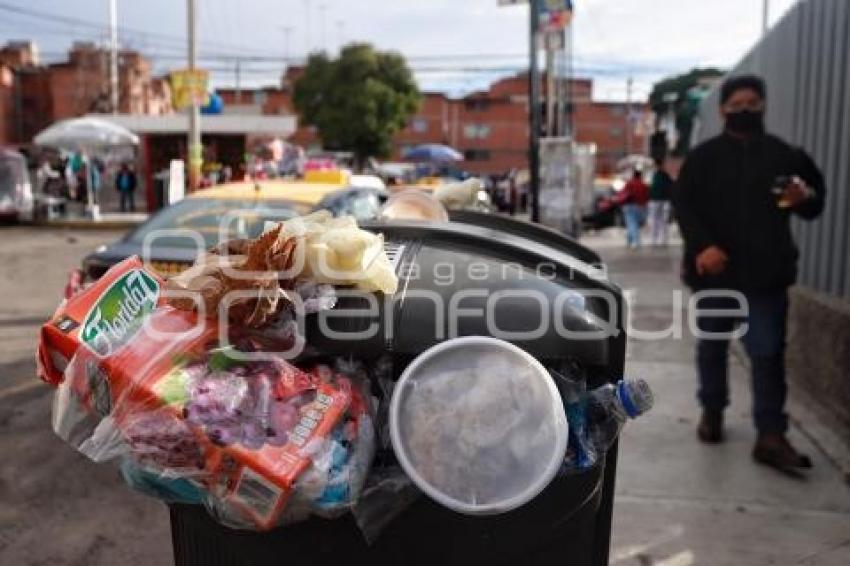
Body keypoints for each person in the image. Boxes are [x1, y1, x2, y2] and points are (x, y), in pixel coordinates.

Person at [673, 74, 825, 474]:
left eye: (752, 104)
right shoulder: (703, 158)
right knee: (712, 348)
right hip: (714, 275)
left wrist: (803, 197)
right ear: (723, 109)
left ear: (763, 107)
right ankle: (712, 411)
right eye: (736, 103)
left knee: (767, 353)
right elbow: (684, 205)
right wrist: (702, 246)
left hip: (766, 275)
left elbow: (813, 200)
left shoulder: (785, 155)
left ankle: (771, 435)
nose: (744, 110)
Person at [617, 169, 649, 248]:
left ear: (633, 175)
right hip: (640, 206)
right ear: (640, 176)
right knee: (634, 224)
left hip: (629, 206)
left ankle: (635, 241)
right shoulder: (643, 184)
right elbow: (646, 196)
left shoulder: (629, 183)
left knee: (631, 224)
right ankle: (630, 240)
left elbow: (622, 193)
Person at [647, 159, 674, 246]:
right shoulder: (664, 175)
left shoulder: (657, 175)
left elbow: (652, 187)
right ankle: (659, 239)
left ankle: (658, 239)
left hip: (657, 200)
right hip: (663, 200)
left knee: (657, 220)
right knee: (661, 220)